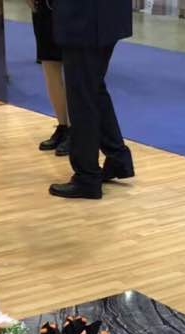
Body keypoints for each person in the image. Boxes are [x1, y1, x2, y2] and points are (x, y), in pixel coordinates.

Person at [50, 0, 134, 200]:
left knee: (82, 95)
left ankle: (87, 176)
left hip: (84, 17)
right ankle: (117, 158)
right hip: (106, 14)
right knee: (92, 87)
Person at [28, 0, 70, 158]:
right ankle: (63, 125)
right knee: (49, 64)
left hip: (72, 10)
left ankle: (75, 129)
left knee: (72, 67)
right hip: (44, 8)